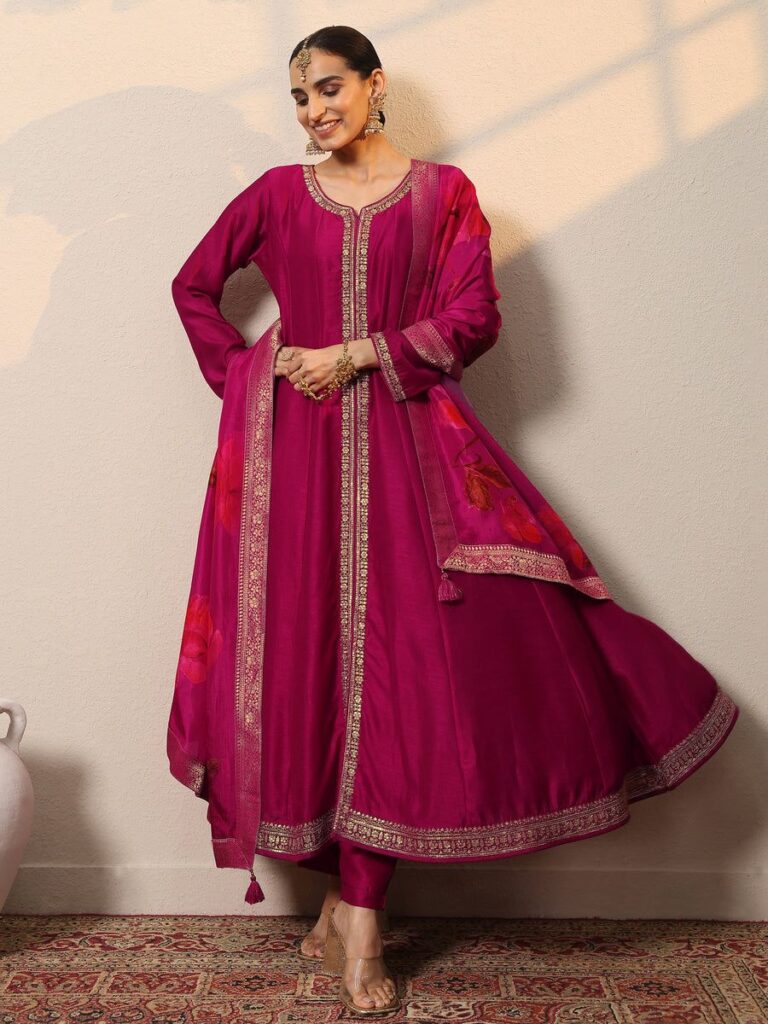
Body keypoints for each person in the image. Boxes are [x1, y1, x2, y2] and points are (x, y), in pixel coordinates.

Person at [166, 25, 740, 1017]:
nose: (314, 110)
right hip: (296, 463)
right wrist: (261, 375)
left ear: (375, 83)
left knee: (410, 678)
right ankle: (341, 902)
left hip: (411, 453)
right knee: (310, 669)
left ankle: (361, 912)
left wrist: (355, 354)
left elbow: (475, 317)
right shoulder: (274, 195)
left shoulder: (444, 195)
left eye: (329, 87)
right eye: (299, 96)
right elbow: (193, 288)